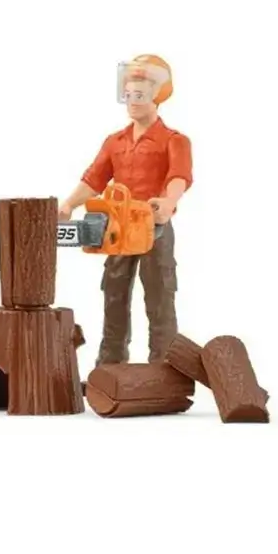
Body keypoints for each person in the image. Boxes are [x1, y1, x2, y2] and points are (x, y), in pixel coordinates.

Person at [58, 55, 192, 364]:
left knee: (159, 295)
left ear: (157, 95)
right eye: (128, 94)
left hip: (153, 226)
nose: (132, 101)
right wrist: (69, 203)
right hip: (117, 226)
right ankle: (111, 363)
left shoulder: (174, 141)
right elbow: (95, 178)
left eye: (140, 94)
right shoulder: (115, 141)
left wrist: (168, 202)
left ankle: (165, 366)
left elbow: (179, 176)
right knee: (114, 292)